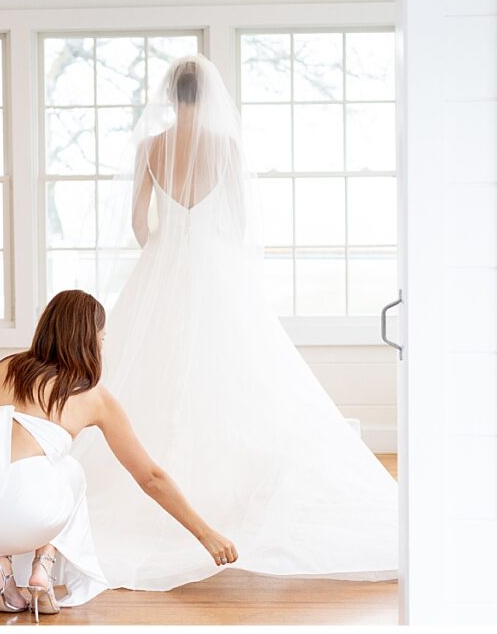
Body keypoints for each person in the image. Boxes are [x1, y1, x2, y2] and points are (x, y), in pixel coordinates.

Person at [67, 53, 399, 591]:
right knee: (239, 375)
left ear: (171, 94)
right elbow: (242, 222)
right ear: (208, 93)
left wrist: (162, 254)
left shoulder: (151, 146)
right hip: (217, 268)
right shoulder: (227, 147)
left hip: (164, 266)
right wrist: (214, 255)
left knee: (149, 370)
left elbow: (136, 220)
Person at [0, 289, 236, 621]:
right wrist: (205, 533)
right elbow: (150, 478)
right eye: (102, 339)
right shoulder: (92, 396)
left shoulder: (3, 368)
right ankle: (42, 571)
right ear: (89, 340)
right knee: (70, 471)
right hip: (17, 518)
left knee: (8, 462)